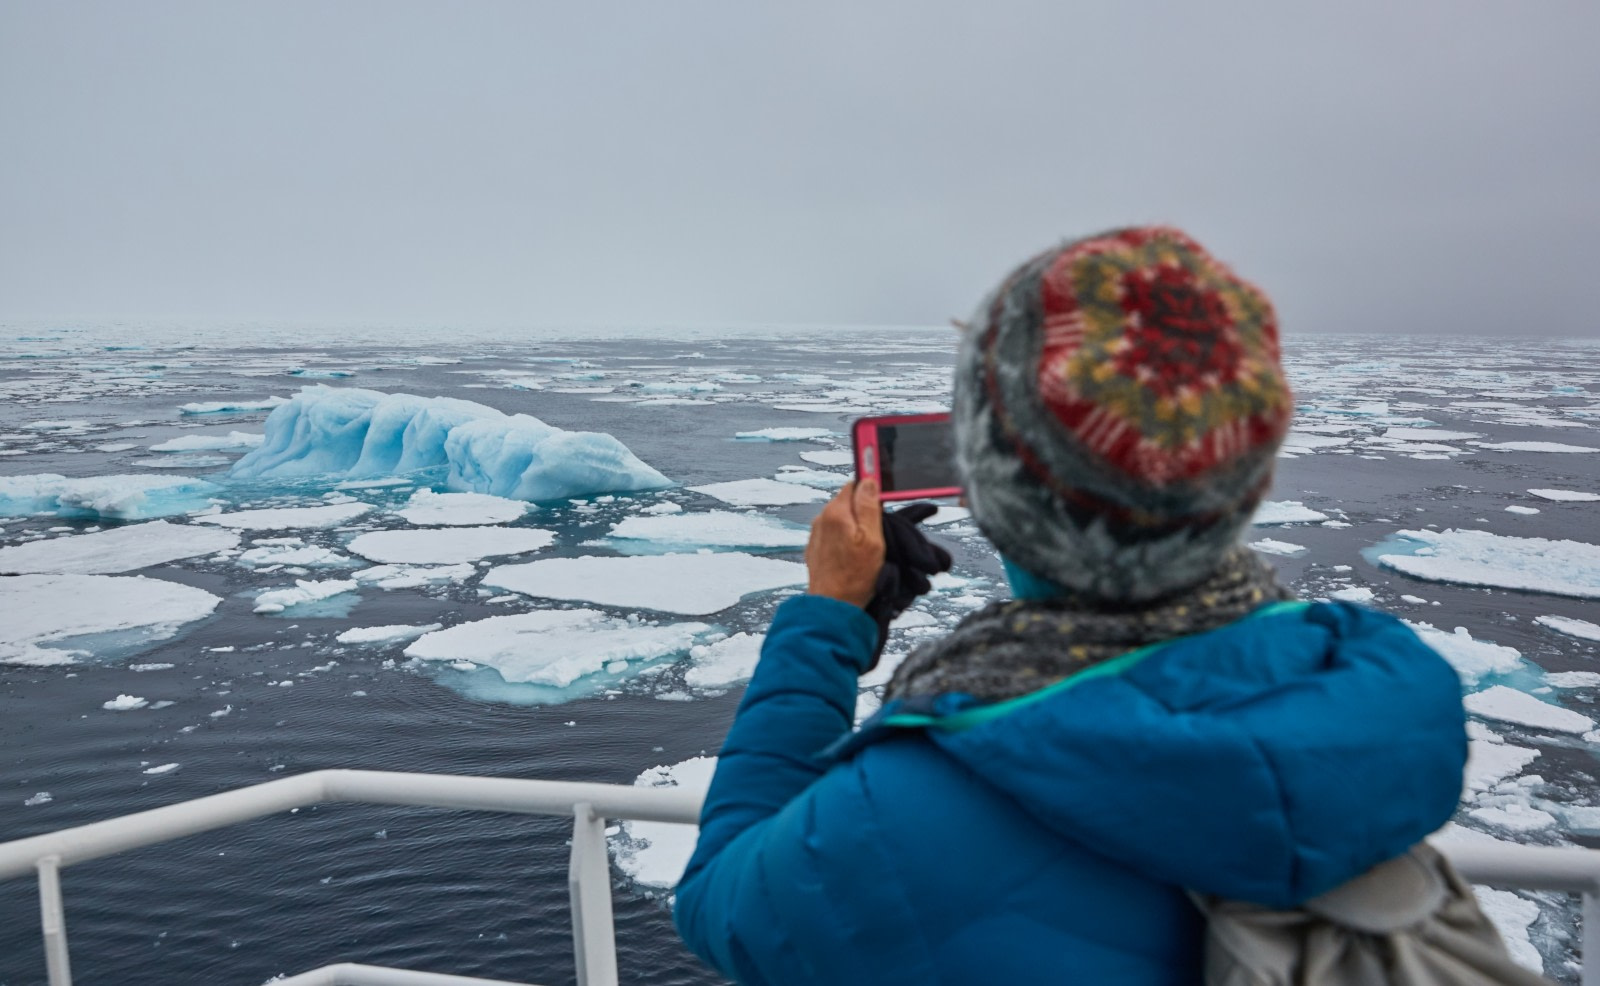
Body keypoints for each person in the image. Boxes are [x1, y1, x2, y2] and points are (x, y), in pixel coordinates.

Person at [673, 227, 1468, 985]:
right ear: (1241, 479)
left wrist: (829, 621)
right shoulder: (1368, 685)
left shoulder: (905, 817)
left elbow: (724, 905)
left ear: (994, 488)